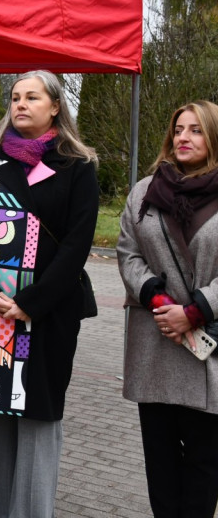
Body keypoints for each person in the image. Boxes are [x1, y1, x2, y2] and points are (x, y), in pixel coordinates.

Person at [0, 69, 98, 518]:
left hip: (47, 315)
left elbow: (77, 244)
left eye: (32, 97)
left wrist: (29, 303)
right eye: (15, 97)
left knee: (37, 417)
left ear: (55, 106)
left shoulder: (77, 167)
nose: (20, 104)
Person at [117, 100, 218, 517]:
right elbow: (127, 252)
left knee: (203, 466)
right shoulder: (144, 190)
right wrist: (159, 302)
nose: (183, 137)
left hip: (207, 349)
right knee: (160, 466)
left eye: (196, 130)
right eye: (179, 129)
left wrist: (193, 312)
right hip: (156, 342)